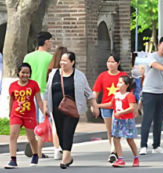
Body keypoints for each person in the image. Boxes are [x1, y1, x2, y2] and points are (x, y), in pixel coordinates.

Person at [45, 51, 100, 169]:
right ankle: (68, 157)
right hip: (56, 109)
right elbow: (47, 92)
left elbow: (88, 92)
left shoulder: (79, 75)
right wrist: (45, 106)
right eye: (61, 61)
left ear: (72, 62)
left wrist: (94, 106)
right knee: (60, 132)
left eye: (65, 61)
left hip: (72, 109)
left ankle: (65, 157)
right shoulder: (53, 73)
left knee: (68, 132)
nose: (62, 63)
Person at [139, 37, 163, 156]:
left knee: (158, 120)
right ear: (159, 45)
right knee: (147, 119)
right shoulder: (152, 56)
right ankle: (143, 146)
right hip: (149, 91)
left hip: (162, 92)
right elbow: (155, 66)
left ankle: (156, 145)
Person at [7, 63, 46, 168]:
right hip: (16, 114)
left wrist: (44, 112)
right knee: (13, 136)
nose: (25, 75)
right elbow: (11, 100)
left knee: (31, 138)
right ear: (18, 73)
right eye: (23, 72)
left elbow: (39, 101)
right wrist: (10, 112)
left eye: (27, 73)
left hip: (29, 115)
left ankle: (35, 154)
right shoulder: (13, 86)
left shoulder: (33, 84)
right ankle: (13, 159)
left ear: (30, 74)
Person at [23, 31, 54, 159]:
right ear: (46, 42)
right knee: (44, 121)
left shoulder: (28, 57)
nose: (51, 43)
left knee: (31, 121)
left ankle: (33, 146)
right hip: (43, 92)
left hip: (28, 92)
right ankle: (38, 151)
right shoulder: (50, 58)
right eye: (51, 41)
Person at [97, 75, 139, 167]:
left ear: (127, 85)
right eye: (118, 82)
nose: (118, 84)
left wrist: (121, 113)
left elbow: (132, 107)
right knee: (115, 139)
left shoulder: (129, 95)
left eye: (120, 82)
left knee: (129, 139)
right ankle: (120, 159)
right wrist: (98, 105)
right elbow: (111, 104)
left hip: (127, 120)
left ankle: (136, 157)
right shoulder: (116, 94)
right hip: (117, 120)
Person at [92, 54, 127, 163]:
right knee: (109, 129)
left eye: (113, 62)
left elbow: (129, 91)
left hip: (119, 106)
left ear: (118, 63)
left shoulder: (123, 75)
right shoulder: (102, 76)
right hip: (106, 106)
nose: (110, 64)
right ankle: (114, 149)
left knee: (115, 129)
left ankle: (113, 151)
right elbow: (95, 91)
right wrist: (93, 104)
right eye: (108, 61)